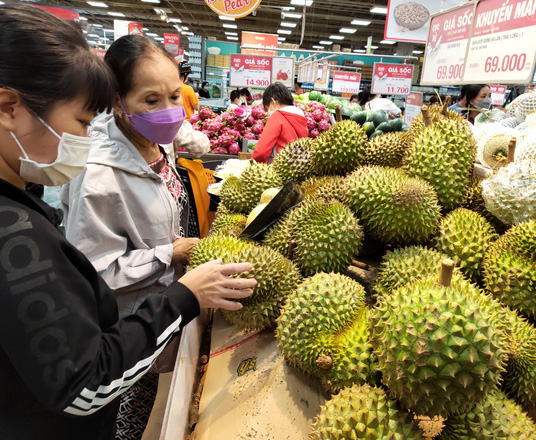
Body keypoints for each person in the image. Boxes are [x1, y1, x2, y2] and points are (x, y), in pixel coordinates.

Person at [0, 5, 255, 440]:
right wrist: (180, 290)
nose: (87, 137)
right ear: (8, 107)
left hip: (136, 341)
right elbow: (81, 383)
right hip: (119, 353)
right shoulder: (18, 231)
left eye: (175, 95)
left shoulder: (157, 150)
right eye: (82, 122)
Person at [58, 35, 234, 439]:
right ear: (117, 100)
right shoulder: (95, 176)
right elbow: (94, 275)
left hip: (167, 311)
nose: (170, 111)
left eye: (175, 96)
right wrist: (167, 253)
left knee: (162, 404)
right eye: (151, 101)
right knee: (135, 421)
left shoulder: (156, 144)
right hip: (130, 332)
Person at [251, 82, 308, 163]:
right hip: (297, 170)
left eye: (267, 109)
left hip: (279, 169)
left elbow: (261, 152)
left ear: (273, 102)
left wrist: (255, 165)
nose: (268, 114)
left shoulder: (276, 117)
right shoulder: (300, 118)